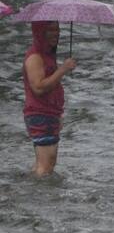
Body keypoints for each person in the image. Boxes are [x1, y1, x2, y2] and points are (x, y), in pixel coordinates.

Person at [23, 21, 77, 176]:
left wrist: (58, 114)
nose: (56, 33)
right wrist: (63, 69)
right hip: (40, 114)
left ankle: (35, 192)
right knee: (46, 165)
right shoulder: (35, 57)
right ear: (41, 32)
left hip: (49, 113)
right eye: (51, 30)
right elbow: (38, 87)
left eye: (58, 30)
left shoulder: (47, 54)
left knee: (47, 163)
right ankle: (37, 197)